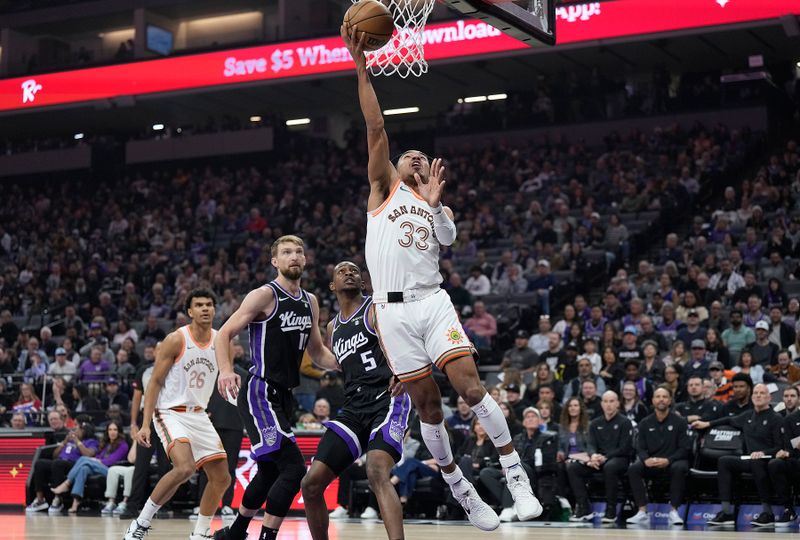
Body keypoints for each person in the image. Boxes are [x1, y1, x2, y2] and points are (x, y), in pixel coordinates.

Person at [341, 26, 540, 531]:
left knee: (470, 388)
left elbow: (449, 239)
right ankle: (461, 488)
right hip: (389, 311)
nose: (415, 156)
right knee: (427, 404)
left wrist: (435, 207)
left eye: (421, 157)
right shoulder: (382, 190)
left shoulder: (434, 206)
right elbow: (376, 128)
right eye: (409, 154)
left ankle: (515, 472)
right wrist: (361, 65)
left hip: (431, 302)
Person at [214, 236, 336, 540]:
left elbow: (318, 352)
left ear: (305, 260)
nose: (293, 256)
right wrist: (226, 370)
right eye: (286, 252)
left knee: (270, 471)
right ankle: (267, 536)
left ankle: (235, 534)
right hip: (260, 391)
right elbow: (224, 334)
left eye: (298, 252)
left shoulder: (311, 301)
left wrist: (348, 365)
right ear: (275, 262)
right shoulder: (264, 295)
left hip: (284, 395)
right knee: (294, 469)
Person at [300, 261, 410, 540]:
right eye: (341, 271)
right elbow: (330, 360)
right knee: (311, 485)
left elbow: (409, 338)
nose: (349, 273)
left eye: (354, 271)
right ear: (332, 286)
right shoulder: (333, 327)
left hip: (387, 398)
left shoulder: (376, 309)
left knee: (376, 472)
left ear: (363, 283)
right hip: (353, 406)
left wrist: (404, 370)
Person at [124, 289, 231, 540]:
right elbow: (155, 383)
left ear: (215, 310)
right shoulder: (176, 339)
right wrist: (145, 424)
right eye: (199, 305)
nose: (205, 309)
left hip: (199, 414)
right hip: (170, 411)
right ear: (190, 312)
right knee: (185, 468)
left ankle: (201, 533)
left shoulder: (222, 341)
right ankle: (140, 523)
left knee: (222, 478)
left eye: (209, 305)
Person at [695, 384, 785, 527]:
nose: (759, 395)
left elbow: (780, 447)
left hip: (769, 460)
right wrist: (707, 423)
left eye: (762, 393)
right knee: (724, 461)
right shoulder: (748, 415)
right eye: (756, 393)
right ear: (752, 396)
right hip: (750, 459)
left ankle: (767, 513)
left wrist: (763, 453)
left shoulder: (776, 418)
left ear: (769, 397)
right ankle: (726, 512)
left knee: (757, 461)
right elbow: (728, 420)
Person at [625, 386, 690, 526]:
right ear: (653, 400)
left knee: (680, 467)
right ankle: (642, 511)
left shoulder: (680, 422)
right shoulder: (645, 423)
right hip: (652, 462)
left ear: (670, 400)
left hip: (673, 461)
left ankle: (674, 511)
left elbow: (685, 449)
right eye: (658, 397)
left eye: (665, 397)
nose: (661, 399)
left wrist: (668, 460)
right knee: (634, 468)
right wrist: (645, 459)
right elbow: (640, 447)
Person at [480, 407, 557, 522]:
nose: (530, 419)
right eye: (528, 417)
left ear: (540, 421)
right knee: (486, 473)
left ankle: (506, 508)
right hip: (513, 469)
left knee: (515, 467)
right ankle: (514, 504)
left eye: (534, 417)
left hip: (533, 472)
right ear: (524, 422)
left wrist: (512, 466)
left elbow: (548, 460)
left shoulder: (547, 438)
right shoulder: (517, 438)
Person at [566, 391, 633, 522]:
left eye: (612, 401)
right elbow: (590, 444)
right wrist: (593, 456)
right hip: (599, 460)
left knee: (610, 467)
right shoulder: (595, 423)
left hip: (619, 459)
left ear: (618, 403)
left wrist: (605, 457)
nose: (608, 405)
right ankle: (584, 508)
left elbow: (625, 448)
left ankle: (611, 510)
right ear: (601, 404)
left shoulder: (625, 422)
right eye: (606, 401)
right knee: (573, 467)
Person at [52, 420, 129, 513]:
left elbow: (111, 460)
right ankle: (75, 503)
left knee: (84, 459)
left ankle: (67, 483)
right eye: (110, 429)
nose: (112, 432)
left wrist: (96, 460)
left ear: (119, 432)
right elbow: (98, 456)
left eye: (115, 430)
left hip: (112, 471)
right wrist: (95, 460)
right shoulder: (106, 444)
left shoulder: (123, 445)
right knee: (84, 468)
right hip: (99, 467)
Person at [26, 421, 98, 514]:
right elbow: (55, 455)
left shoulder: (91, 442)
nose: (74, 431)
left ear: (84, 431)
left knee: (58, 464)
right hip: (59, 461)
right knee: (40, 463)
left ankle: (58, 499)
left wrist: (77, 442)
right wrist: (64, 442)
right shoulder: (69, 441)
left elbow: (88, 455)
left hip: (75, 465)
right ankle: (40, 500)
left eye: (77, 429)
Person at [767, 406, 800, 526]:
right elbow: (789, 446)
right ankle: (788, 509)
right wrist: (787, 452)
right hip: (796, 458)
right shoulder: (790, 419)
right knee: (775, 464)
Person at [102, 443, 136, 516]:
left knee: (130, 471)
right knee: (112, 469)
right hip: (135, 465)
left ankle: (125, 502)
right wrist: (135, 441)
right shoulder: (141, 441)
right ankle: (111, 502)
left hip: (151, 467)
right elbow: (131, 459)